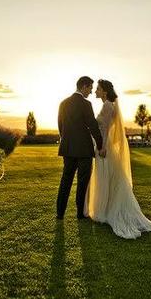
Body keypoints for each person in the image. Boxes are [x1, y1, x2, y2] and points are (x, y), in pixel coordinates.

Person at [84, 79, 151, 239]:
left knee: (106, 179)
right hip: (103, 146)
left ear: (105, 91)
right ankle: (105, 208)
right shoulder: (108, 105)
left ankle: (105, 211)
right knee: (108, 178)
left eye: (98, 89)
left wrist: (103, 147)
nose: (95, 91)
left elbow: (108, 129)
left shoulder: (108, 105)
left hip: (104, 148)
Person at [56, 76, 105, 219]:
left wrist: (67, 140)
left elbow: (61, 126)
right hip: (84, 150)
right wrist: (100, 144)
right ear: (84, 86)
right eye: (90, 88)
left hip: (68, 148)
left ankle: (60, 213)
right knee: (82, 182)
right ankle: (79, 213)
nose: (90, 92)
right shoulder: (86, 104)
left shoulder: (63, 103)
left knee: (66, 180)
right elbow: (93, 126)